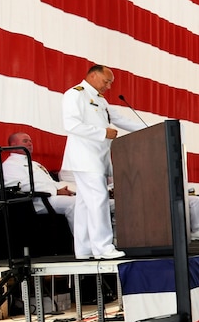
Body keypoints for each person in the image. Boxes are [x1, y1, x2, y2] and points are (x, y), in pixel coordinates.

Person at [61, 65, 146, 260]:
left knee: (84, 204)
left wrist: (151, 127)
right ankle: (103, 247)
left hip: (97, 158)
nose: (108, 86)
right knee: (99, 199)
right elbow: (71, 125)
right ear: (92, 75)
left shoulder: (100, 100)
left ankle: (84, 249)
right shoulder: (75, 95)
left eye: (110, 83)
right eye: (106, 81)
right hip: (85, 157)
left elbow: (120, 120)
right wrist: (103, 133)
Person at [1, 132, 76, 224]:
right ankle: (80, 238)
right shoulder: (9, 164)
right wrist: (55, 191)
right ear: (13, 145)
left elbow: (49, 181)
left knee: (84, 200)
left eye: (30, 141)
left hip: (50, 196)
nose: (30, 144)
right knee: (75, 204)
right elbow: (22, 186)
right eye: (25, 141)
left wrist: (62, 189)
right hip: (35, 201)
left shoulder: (35, 164)